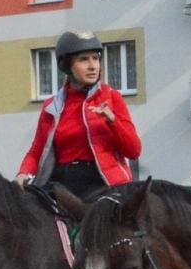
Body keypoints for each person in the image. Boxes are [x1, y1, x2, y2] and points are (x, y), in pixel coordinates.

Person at [15, 30, 141, 196]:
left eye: (95, 58)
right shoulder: (52, 106)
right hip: (62, 183)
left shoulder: (112, 97)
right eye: (83, 59)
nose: (92, 66)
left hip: (103, 183)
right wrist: (23, 173)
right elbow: (37, 150)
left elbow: (134, 151)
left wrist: (112, 121)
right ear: (67, 66)